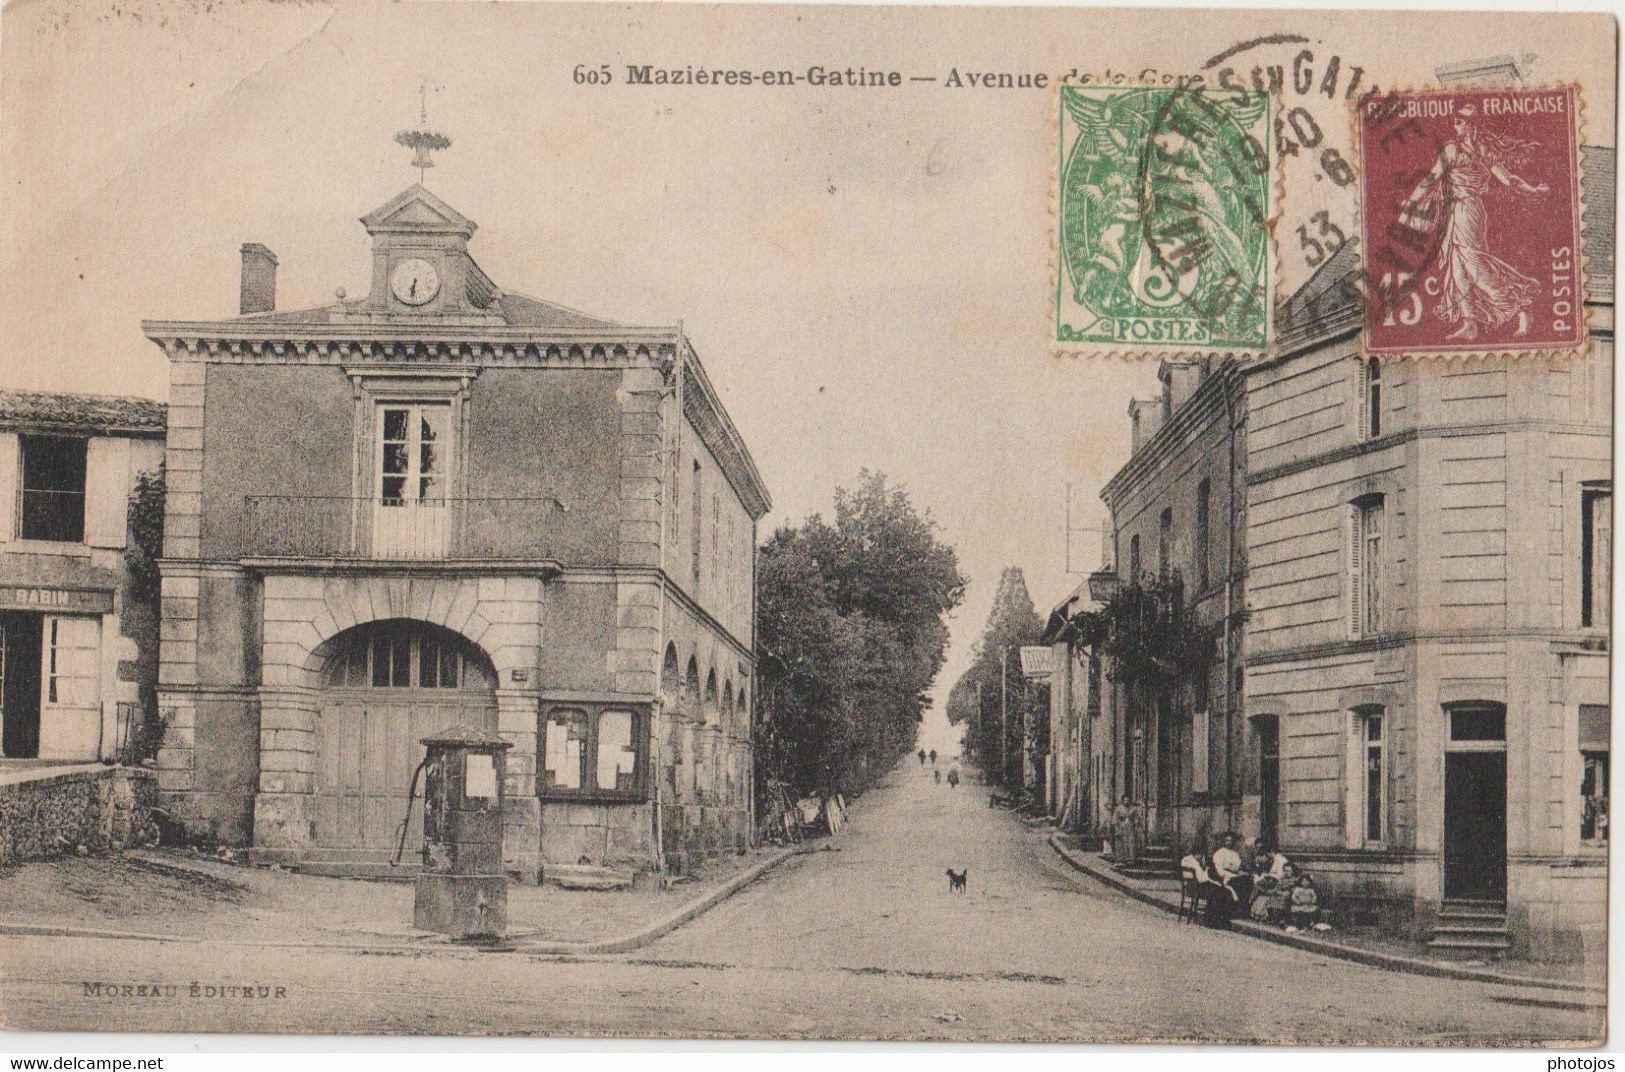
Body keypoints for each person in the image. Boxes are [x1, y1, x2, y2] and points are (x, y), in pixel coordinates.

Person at [1399, 106, 1547, 342]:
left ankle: (1519, 305)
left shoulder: (1463, 150)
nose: (1455, 126)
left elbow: (1431, 180)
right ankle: (1470, 324)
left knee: (1473, 263)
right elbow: (1508, 179)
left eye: (1459, 122)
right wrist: (1532, 188)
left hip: (1467, 210)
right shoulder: (1474, 150)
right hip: (1460, 211)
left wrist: (1410, 204)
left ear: (1470, 125)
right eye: (1455, 122)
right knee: (1457, 269)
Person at [1180, 839, 1233, 929]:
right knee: (1217, 892)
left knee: (1220, 891)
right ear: (1196, 854)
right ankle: (1212, 920)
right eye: (1200, 855)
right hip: (1194, 887)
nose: (1200, 857)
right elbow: (1202, 879)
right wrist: (1205, 868)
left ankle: (1215, 919)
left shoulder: (1189, 860)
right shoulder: (1193, 862)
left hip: (1195, 886)